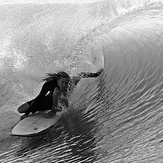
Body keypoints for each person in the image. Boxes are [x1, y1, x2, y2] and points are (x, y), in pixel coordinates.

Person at [18, 68, 103, 120]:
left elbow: (82, 74)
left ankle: (50, 109)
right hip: (48, 101)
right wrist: (27, 114)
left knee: (56, 92)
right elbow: (39, 97)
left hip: (61, 104)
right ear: (58, 80)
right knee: (21, 110)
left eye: (66, 82)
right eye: (62, 82)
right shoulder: (49, 84)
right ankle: (41, 109)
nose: (64, 85)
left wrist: (96, 74)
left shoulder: (71, 83)